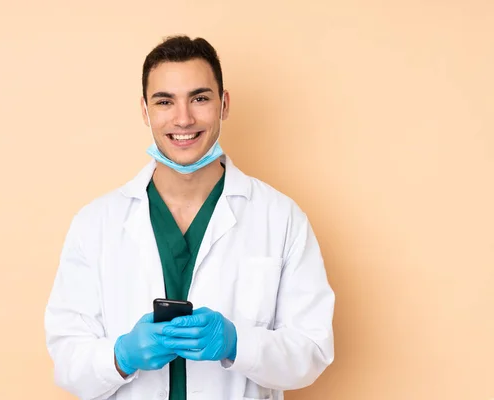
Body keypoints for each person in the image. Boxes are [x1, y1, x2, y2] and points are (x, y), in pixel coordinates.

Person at [44, 35, 335, 400]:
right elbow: (68, 359)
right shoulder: (95, 224)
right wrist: (119, 356)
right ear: (145, 111)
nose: (183, 118)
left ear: (224, 104)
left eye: (199, 98)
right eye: (165, 101)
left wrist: (236, 344)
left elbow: (313, 350)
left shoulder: (280, 218)